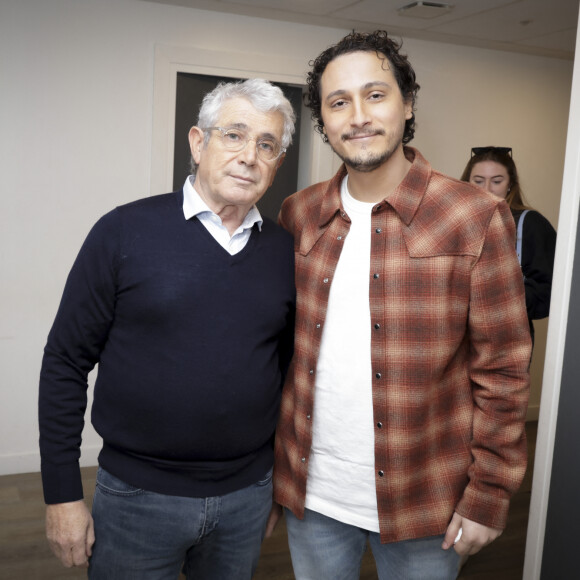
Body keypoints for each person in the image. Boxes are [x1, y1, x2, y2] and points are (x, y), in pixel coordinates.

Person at [271, 30, 532, 580]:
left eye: (376, 95)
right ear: (324, 120)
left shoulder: (474, 215)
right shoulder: (298, 214)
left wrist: (488, 491)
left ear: (407, 103)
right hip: (312, 494)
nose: (358, 115)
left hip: (427, 500)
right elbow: (276, 353)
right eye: (339, 102)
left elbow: (504, 367)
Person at [39, 77, 296, 579]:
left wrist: (275, 485)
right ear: (198, 143)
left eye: (267, 145)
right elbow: (65, 362)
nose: (250, 155)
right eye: (234, 135)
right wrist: (62, 494)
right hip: (137, 498)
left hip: (247, 497)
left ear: (277, 164)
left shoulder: (286, 253)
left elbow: (285, 373)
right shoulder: (122, 232)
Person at [461, 146, 557, 344]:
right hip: (455, 342)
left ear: (510, 184)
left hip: (508, 342)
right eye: (478, 181)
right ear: (466, 184)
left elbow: (550, 290)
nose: (486, 188)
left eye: (497, 181)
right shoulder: (454, 223)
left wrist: (502, 299)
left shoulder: (530, 224)